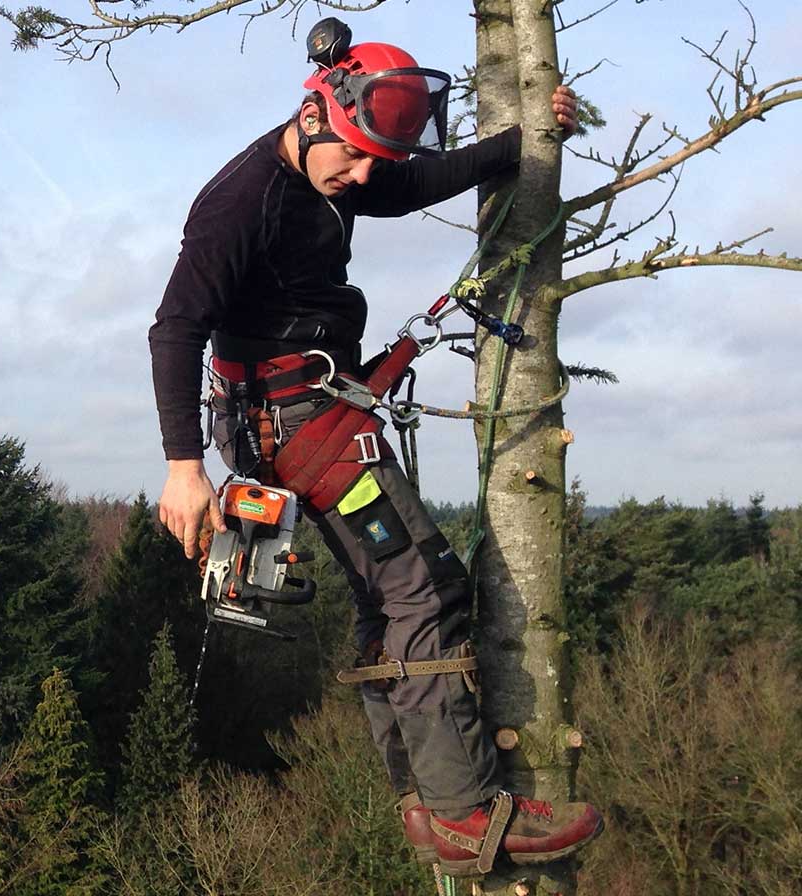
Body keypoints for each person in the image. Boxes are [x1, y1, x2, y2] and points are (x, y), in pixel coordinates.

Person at [148, 19, 602, 875]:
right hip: (300, 427)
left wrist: (527, 139)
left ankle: (430, 803)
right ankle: (468, 813)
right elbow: (175, 329)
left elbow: (401, 186)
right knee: (424, 590)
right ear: (315, 113)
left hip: (305, 414)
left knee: (387, 600)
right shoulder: (241, 201)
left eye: (369, 163)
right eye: (352, 157)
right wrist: (184, 472)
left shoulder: (335, 171)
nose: (359, 178)